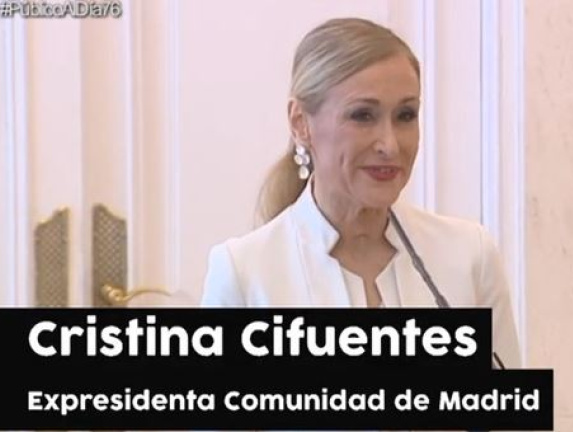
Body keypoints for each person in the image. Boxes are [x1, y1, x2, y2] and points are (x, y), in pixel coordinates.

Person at [200, 17, 521, 369]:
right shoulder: (243, 273)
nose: (390, 144)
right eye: (363, 116)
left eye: (405, 115)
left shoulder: (470, 255)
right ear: (300, 123)